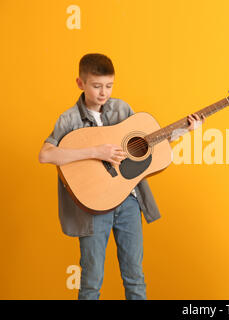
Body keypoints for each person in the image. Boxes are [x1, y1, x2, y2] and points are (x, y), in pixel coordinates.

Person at [38, 53, 204, 299]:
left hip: (128, 200)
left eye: (108, 86)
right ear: (80, 83)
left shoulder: (122, 109)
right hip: (93, 208)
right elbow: (46, 155)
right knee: (91, 282)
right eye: (96, 86)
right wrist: (97, 152)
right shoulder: (70, 118)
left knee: (135, 278)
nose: (103, 93)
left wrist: (184, 130)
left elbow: (144, 146)